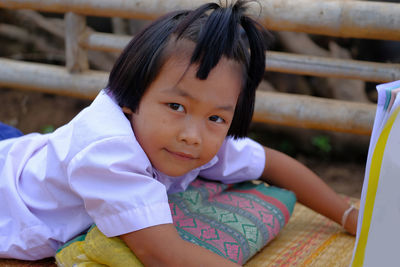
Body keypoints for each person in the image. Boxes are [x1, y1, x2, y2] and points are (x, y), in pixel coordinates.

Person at [0, 1, 358, 266]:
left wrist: (348, 216)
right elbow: (162, 254)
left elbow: (271, 162)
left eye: (217, 118)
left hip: (25, 151)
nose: (193, 135)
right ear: (132, 95)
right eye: (176, 107)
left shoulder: (190, 136)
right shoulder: (108, 152)